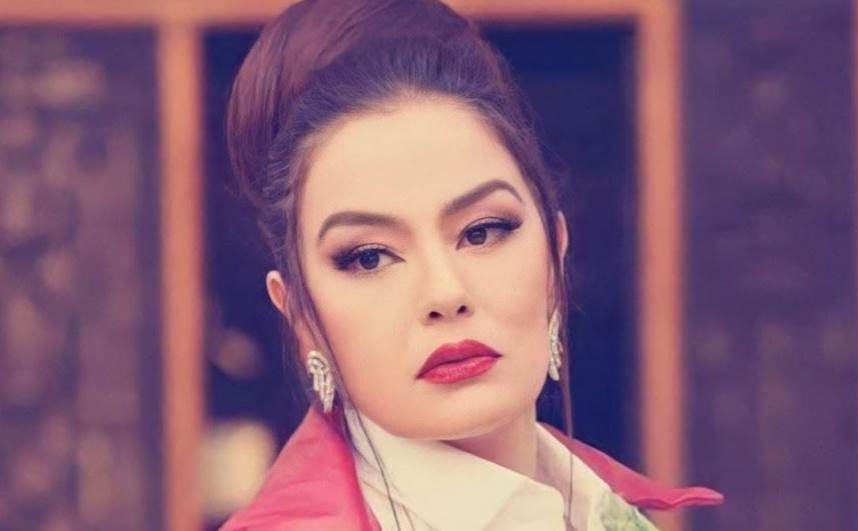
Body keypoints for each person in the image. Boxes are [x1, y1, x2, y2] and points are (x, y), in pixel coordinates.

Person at [219, 1, 722, 529]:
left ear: (554, 252)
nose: (445, 292)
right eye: (369, 258)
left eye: (481, 232)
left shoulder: (598, 510)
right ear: (299, 315)